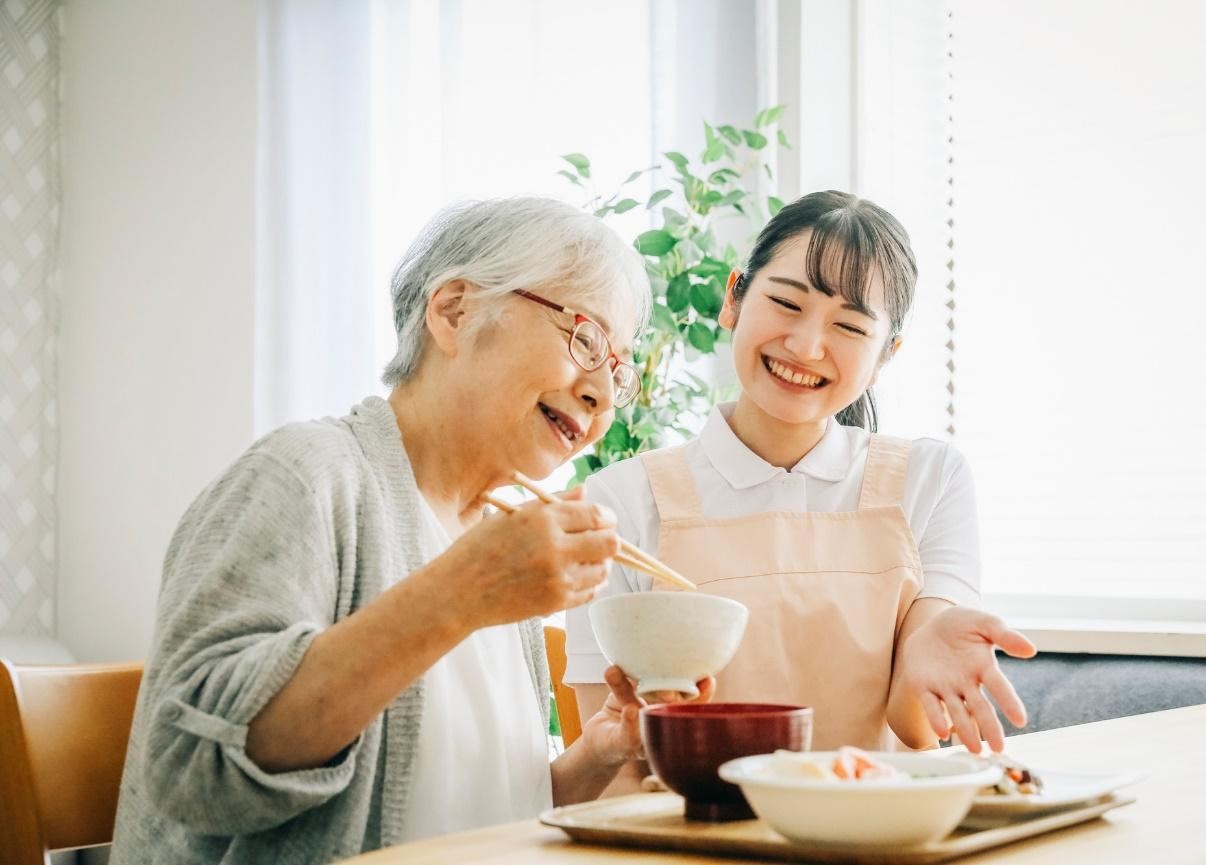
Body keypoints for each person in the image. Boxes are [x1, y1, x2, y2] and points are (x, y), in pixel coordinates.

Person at [110, 197, 710, 864]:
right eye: (586, 340)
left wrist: (601, 751)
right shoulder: (305, 476)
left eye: (619, 369)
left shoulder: (494, 533)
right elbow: (190, 767)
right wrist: (462, 594)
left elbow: (487, 810)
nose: (601, 391)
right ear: (454, 310)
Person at [565, 191, 1037, 783]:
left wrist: (929, 650)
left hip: (880, 835)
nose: (807, 346)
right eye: (787, 303)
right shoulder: (618, 504)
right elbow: (611, 770)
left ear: (886, 354)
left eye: (849, 326)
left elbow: (911, 728)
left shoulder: (931, 478)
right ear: (734, 296)